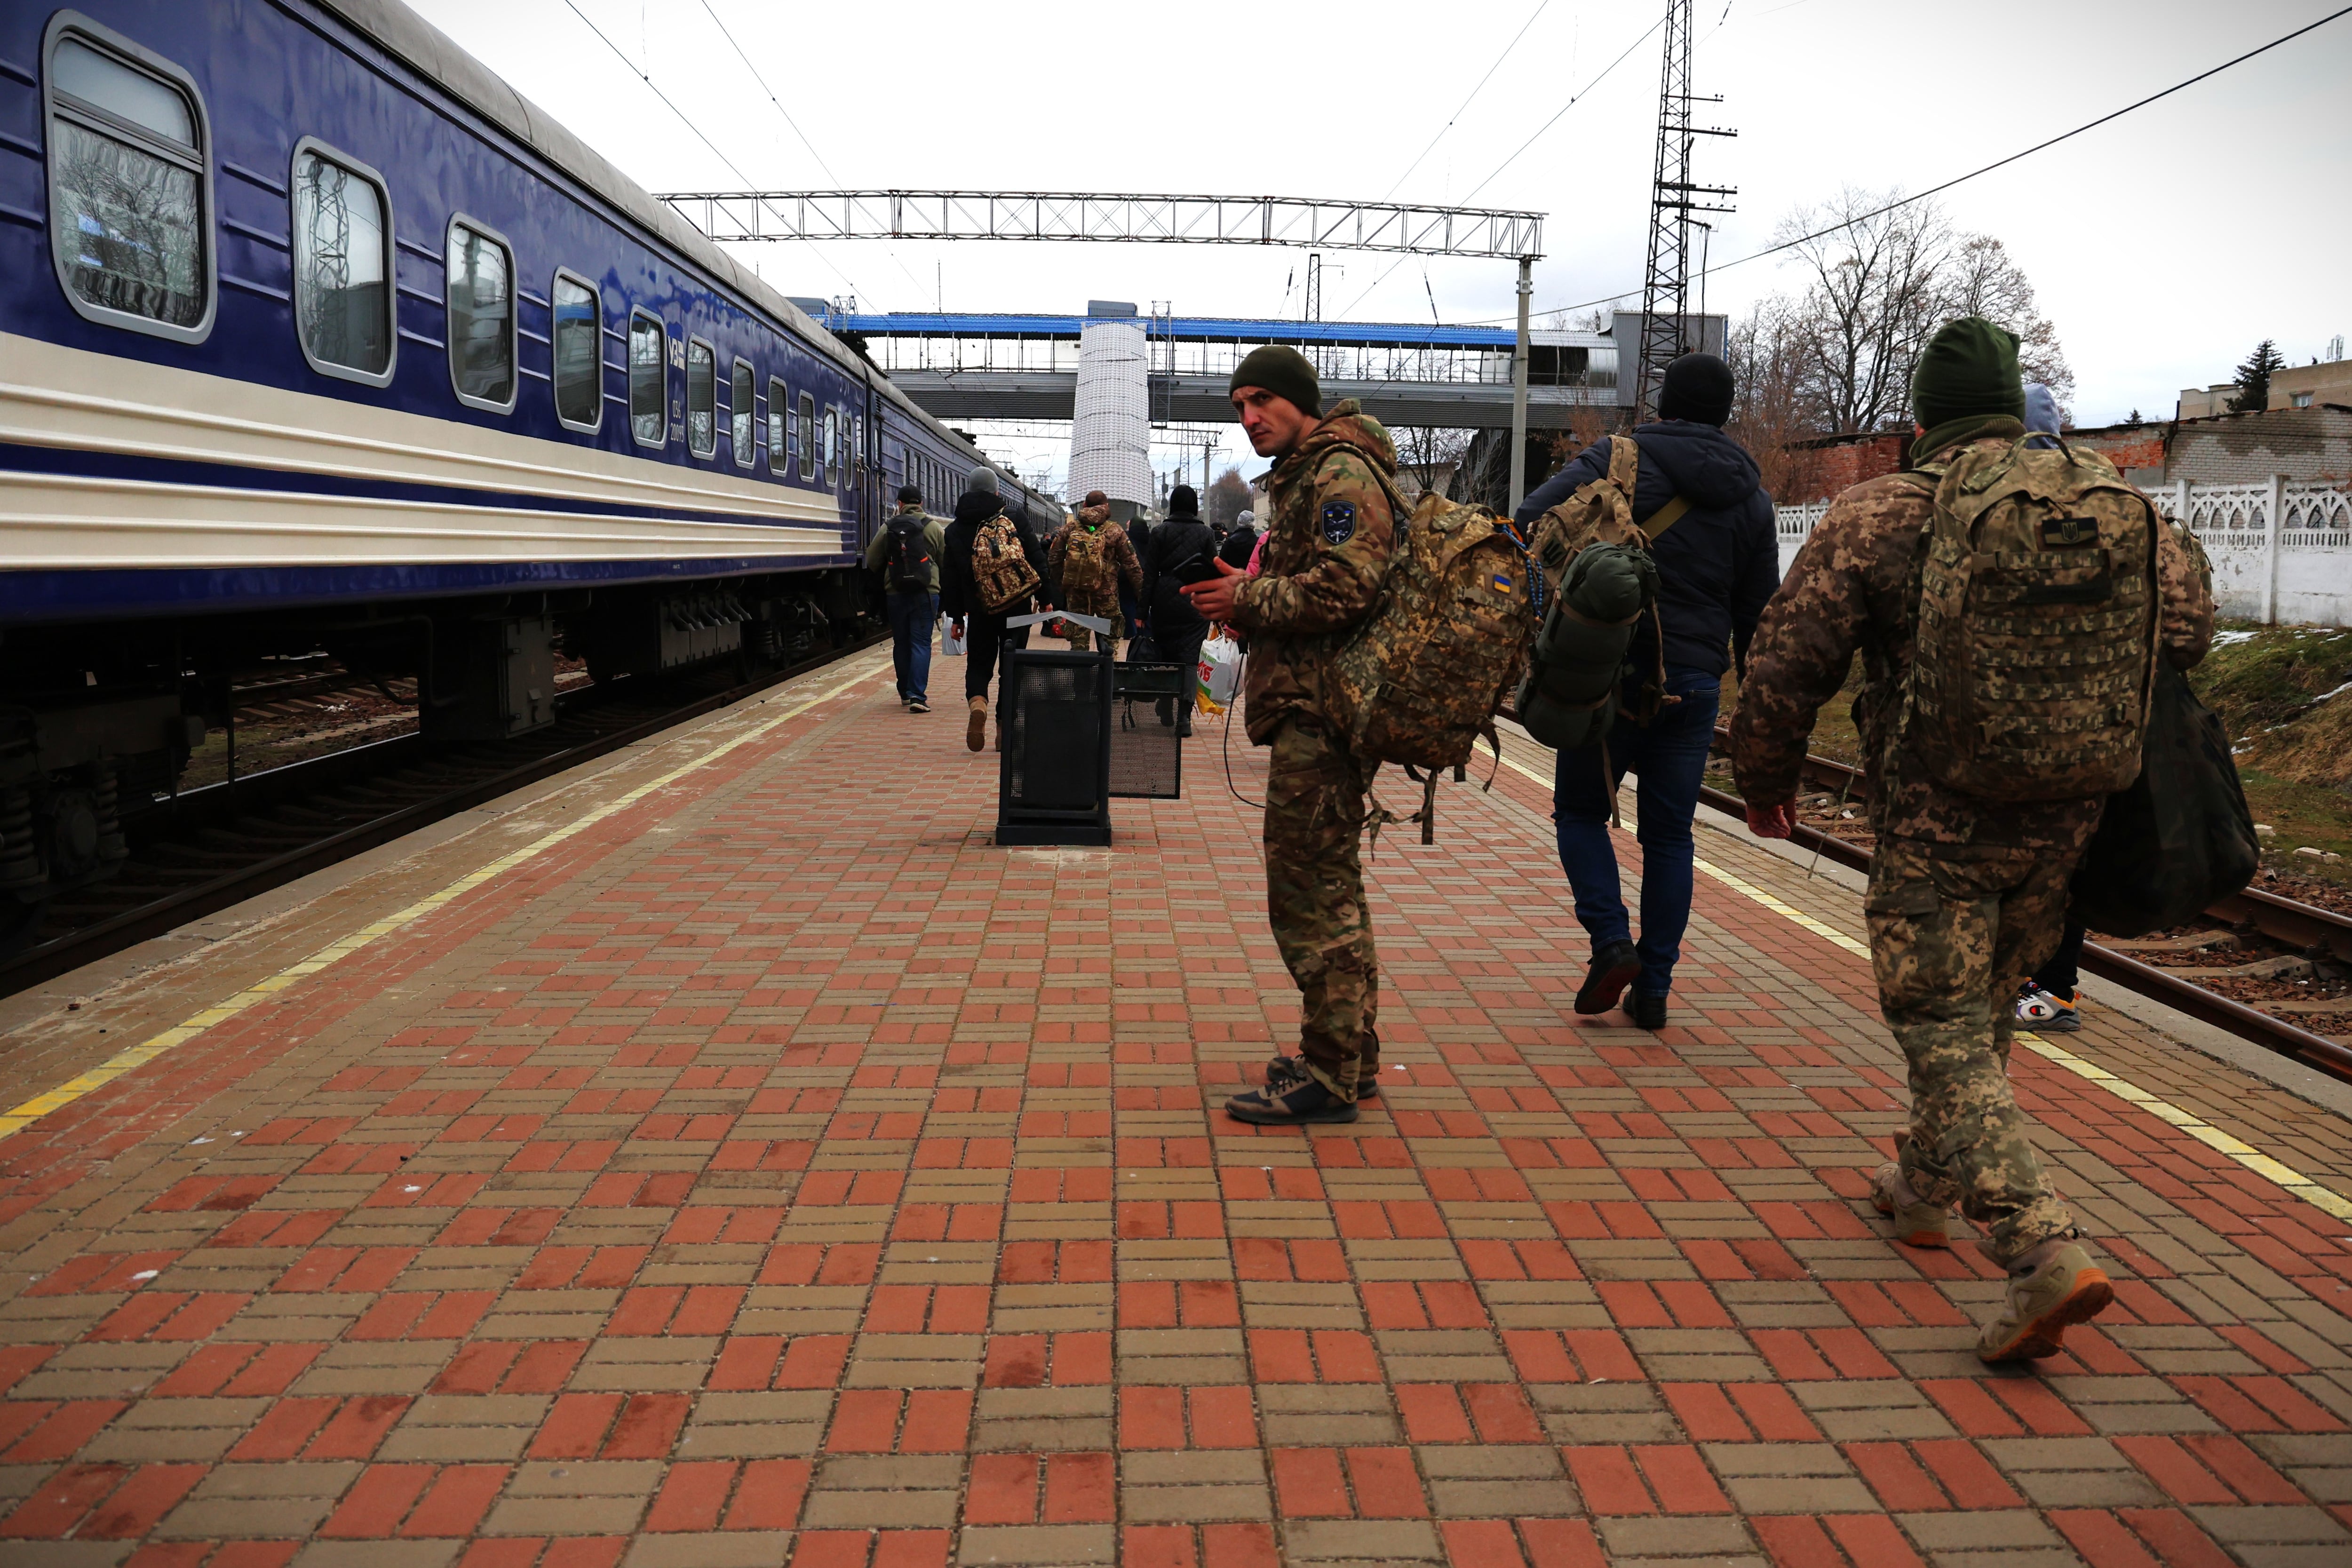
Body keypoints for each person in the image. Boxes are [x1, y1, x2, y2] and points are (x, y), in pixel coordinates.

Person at [1730, 317, 2214, 1363]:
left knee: (1940, 1020)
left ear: (1922, 421)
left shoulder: (1882, 512)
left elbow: (1785, 662)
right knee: (1986, 1006)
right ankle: (1921, 1187)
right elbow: (2188, 631)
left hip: (1938, 817)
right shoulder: (2112, 501)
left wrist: (1765, 784)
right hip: (2069, 813)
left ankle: (2040, 1247)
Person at [1514, 352, 1777, 1031]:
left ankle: (1611, 942)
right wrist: (1753, 711)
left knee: (1579, 812)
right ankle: (1654, 987)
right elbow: (1758, 618)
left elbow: (1531, 515)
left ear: (1663, 401)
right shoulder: (1752, 497)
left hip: (1611, 669)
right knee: (1669, 838)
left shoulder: (1618, 458)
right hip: (1693, 683)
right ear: (1726, 413)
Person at [1184, 346, 1396, 1125]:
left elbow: (1348, 588)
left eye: (1262, 401)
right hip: (1316, 704)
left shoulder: (1338, 473)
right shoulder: (1312, 472)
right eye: (1239, 406)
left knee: (1308, 895)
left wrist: (1249, 597)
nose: (1249, 418)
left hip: (1325, 711)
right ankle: (1349, 1054)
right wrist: (1248, 597)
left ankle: (1329, 1074)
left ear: (1301, 399)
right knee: (1331, 887)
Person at [940, 468, 1052, 753]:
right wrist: (1046, 598)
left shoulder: (954, 529)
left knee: (979, 664)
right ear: (997, 491)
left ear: (969, 489)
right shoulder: (1015, 518)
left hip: (980, 610)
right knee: (1012, 666)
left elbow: (950, 579)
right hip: (1018, 607)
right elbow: (1036, 559)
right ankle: (1005, 730)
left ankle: (978, 704)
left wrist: (956, 617)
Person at [1143, 483, 1216, 736]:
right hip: (1195, 600)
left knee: (1165, 656)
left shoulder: (1160, 532)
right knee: (1189, 659)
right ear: (1194, 506)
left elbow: (1149, 575)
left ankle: (1165, 706)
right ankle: (1184, 717)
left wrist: (1141, 612)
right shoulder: (1206, 534)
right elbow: (1212, 571)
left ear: (1172, 505)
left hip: (1163, 600)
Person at [866, 484, 946, 712]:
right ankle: (917, 695)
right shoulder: (934, 527)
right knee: (921, 643)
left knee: (901, 643)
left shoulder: (888, 527)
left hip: (896, 591)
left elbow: (872, 560)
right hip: (926, 592)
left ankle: (904, 693)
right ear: (921, 503)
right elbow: (945, 561)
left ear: (900, 504)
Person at [1048, 491, 1143, 657]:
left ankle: (1081, 671)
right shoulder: (1115, 530)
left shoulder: (1070, 528)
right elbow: (1132, 565)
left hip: (1077, 593)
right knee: (1110, 643)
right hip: (1107, 595)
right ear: (1107, 506)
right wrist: (1142, 595)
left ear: (1085, 506)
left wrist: (1063, 585)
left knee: (1079, 644)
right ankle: (1107, 671)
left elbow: (1054, 559)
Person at [1219, 507, 1260, 571]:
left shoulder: (1230, 543)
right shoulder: (1258, 544)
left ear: (1238, 522)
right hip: (1252, 576)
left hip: (1232, 575)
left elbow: (1221, 564)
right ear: (1254, 524)